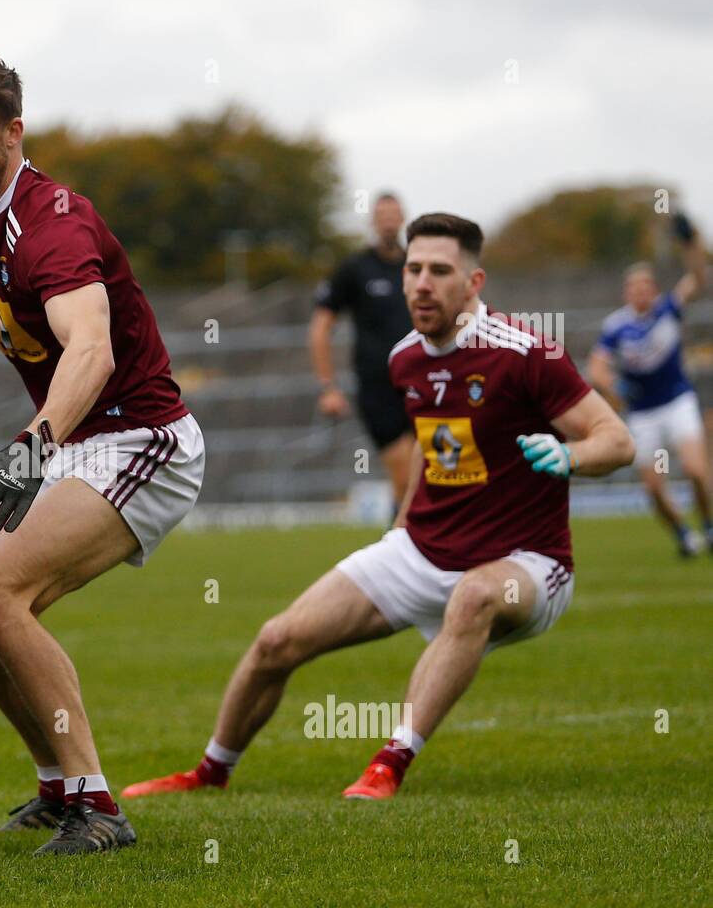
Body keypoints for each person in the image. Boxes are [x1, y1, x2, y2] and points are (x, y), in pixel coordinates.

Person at [123, 213, 634, 802]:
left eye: (439, 271)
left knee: (474, 596)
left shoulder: (524, 352)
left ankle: (389, 764)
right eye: (413, 269)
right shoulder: (404, 359)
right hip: (423, 550)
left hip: (528, 563)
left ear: (474, 281)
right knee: (276, 640)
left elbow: (616, 440)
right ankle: (209, 772)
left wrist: (568, 454)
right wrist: (399, 533)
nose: (421, 283)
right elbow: (430, 446)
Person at [0, 53, 205, 855]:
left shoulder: (53, 221)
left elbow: (89, 350)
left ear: (14, 130)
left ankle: (100, 809)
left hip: (139, 437)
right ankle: (58, 786)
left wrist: (32, 444)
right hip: (75, 441)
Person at [588, 214, 711, 557]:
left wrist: (691, 243)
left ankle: (709, 524)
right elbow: (597, 368)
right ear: (627, 292)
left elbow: (698, 278)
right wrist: (615, 387)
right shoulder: (617, 326)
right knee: (655, 487)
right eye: (634, 287)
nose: (640, 292)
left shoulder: (667, 309)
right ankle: (684, 534)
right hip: (644, 414)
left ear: (653, 290)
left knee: (696, 471)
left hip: (676, 402)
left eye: (646, 286)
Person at [310, 193, 416, 508]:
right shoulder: (355, 268)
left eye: (393, 214)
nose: (388, 221)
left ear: (402, 218)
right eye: (381, 215)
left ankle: (409, 547)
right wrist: (328, 387)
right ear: (373, 220)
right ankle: (400, 550)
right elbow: (320, 327)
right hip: (378, 388)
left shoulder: (417, 267)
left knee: (426, 480)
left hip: (424, 384)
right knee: (406, 480)